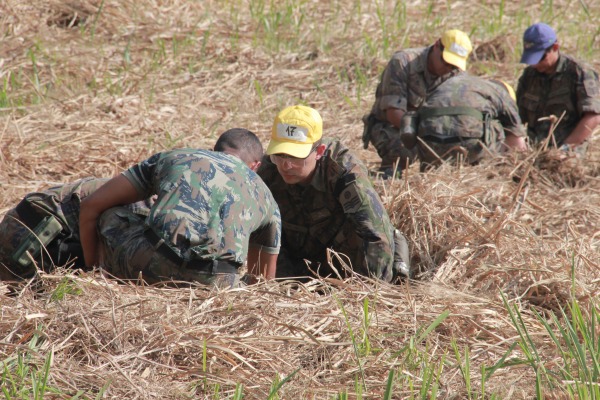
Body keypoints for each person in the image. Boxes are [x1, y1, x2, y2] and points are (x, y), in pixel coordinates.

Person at [79, 128, 281, 288]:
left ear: (213, 150)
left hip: (151, 267)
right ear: (255, 166)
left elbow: (91, 206)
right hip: (218, 284)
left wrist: (90, 269)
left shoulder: (176, 157)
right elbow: (262, 284)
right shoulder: (268, 197)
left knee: (112, 214)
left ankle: (102, 275)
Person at [257, 104, 410, 282]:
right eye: (280, 154)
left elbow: (376, 235)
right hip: (299, 257)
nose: (285, 165)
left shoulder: (345, 171)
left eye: (295, 156)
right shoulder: (268, 169)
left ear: (319, 152)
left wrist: (371, 293)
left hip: (346, 262)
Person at [362, 29, 473, 178]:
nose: (448, 69)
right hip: (392, 126)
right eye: (446, 62)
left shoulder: (456, 75)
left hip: (433, 132)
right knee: (405, 152)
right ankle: (388, 176)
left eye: (453, 66)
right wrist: (426, 135)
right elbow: (393, 112)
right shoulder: (403, 62)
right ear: (436, 46)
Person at [0, 177, 152, 281]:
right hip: (32, 240)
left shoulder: (143, 185)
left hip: (22, 229)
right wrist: (92, 269)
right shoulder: (146, 208)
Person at [400, 73, 528, 169]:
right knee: (501, 126)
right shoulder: (502, 93)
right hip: (469, 147)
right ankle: (487, 170)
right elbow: (518, 141)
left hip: (428, 144)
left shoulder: (452, 83)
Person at [516, 22, 600, 154]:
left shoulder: (579, 72)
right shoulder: (529, 76)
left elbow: (593, 117)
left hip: (568, 153)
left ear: (555, 47)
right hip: (533, 151)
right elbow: (517, 118)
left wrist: (565, 150)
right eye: (532, 59)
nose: (535, 64)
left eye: (540, 58)